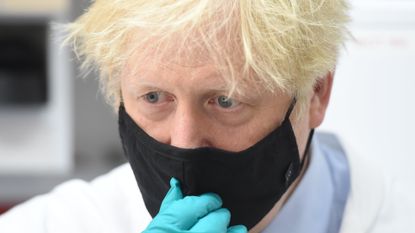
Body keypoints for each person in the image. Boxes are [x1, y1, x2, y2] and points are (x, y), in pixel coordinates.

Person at [0, 0, 412, 232]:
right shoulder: (50, 225)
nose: (184, 141)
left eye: (226, 101)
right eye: (154, 96)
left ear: (317, 92)